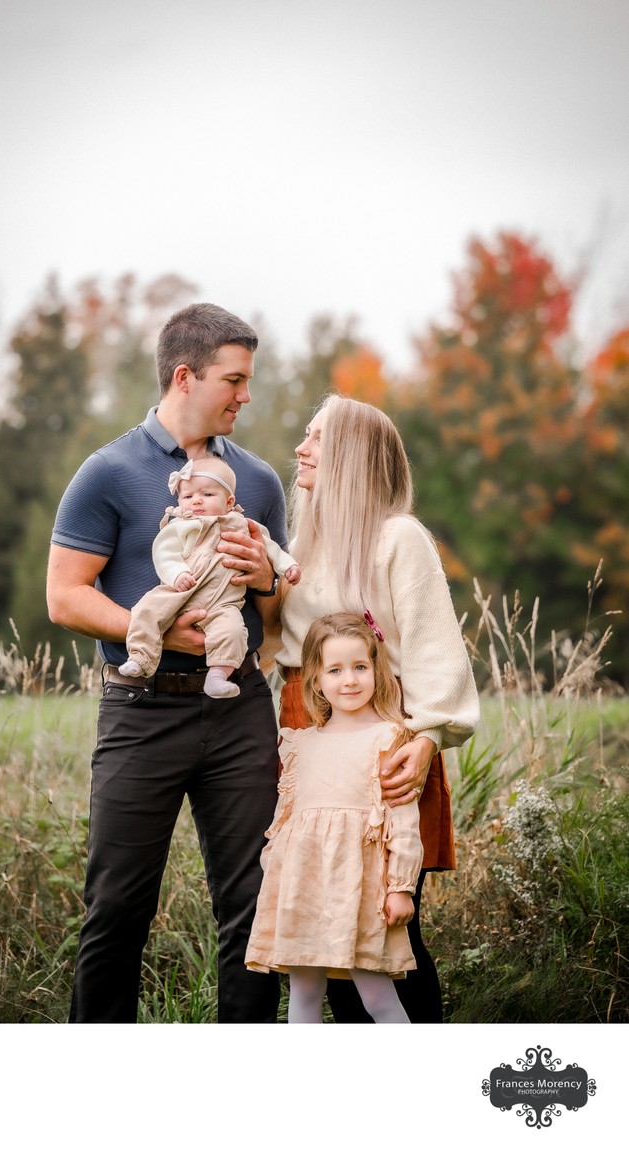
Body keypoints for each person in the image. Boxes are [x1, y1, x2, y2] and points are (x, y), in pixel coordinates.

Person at [46, 302, 290, 1024]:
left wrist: (265, 578)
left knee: (252, 909)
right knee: (117, 906)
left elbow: (272, 624)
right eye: (235, 380)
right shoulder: (109, 471)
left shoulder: (260, 483)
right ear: (185, 375)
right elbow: (63, 596)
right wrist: (160, 633)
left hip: (240, 708)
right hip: (141, 709)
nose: (246, 395)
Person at [259, 392, 480, 1023]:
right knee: (324, 929)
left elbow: (435, 647)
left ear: (352, 456)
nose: (300, 448)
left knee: (385, 929)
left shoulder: (397, 537)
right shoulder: (302, 543)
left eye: (316, 438)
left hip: (384, 732)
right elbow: (278, 644)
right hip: (311, 729)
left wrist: (427, 738)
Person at [246, 613, 424, 1024]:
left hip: (360, 892)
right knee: (305, 992)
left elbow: (403, 823)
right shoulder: (300, 744)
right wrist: (274, 880)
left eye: (360, 667)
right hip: (302, 889)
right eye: (336, 669)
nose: (349, 680)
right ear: (316, 677)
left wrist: (401, 888)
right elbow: (284, 823)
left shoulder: (390, 738)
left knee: (377, 996)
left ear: (377, 671)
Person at [119, 455, 300, 697]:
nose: (196, 502)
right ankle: (140, 656)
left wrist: (287, 566)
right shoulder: (180, 526)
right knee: (148, 608)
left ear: (229, 501)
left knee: (234, 631)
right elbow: (164, 553)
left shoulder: (242, 526)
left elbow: (270, 549)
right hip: (180, 592)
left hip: (223, 604)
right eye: (188, 496)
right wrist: (177, 573)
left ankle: (218, 676)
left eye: (207, 495)